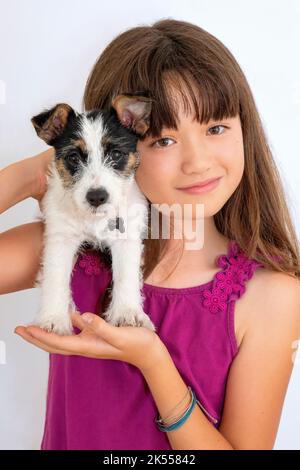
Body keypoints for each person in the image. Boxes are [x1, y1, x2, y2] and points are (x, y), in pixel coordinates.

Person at [1, 18, 300, 450]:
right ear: (115, 145)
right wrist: (29, 175)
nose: (197, 162)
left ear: (245, 130)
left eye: (216, 128)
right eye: (162, 140)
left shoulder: (273, 296)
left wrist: (152, 360)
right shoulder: (74, 254)